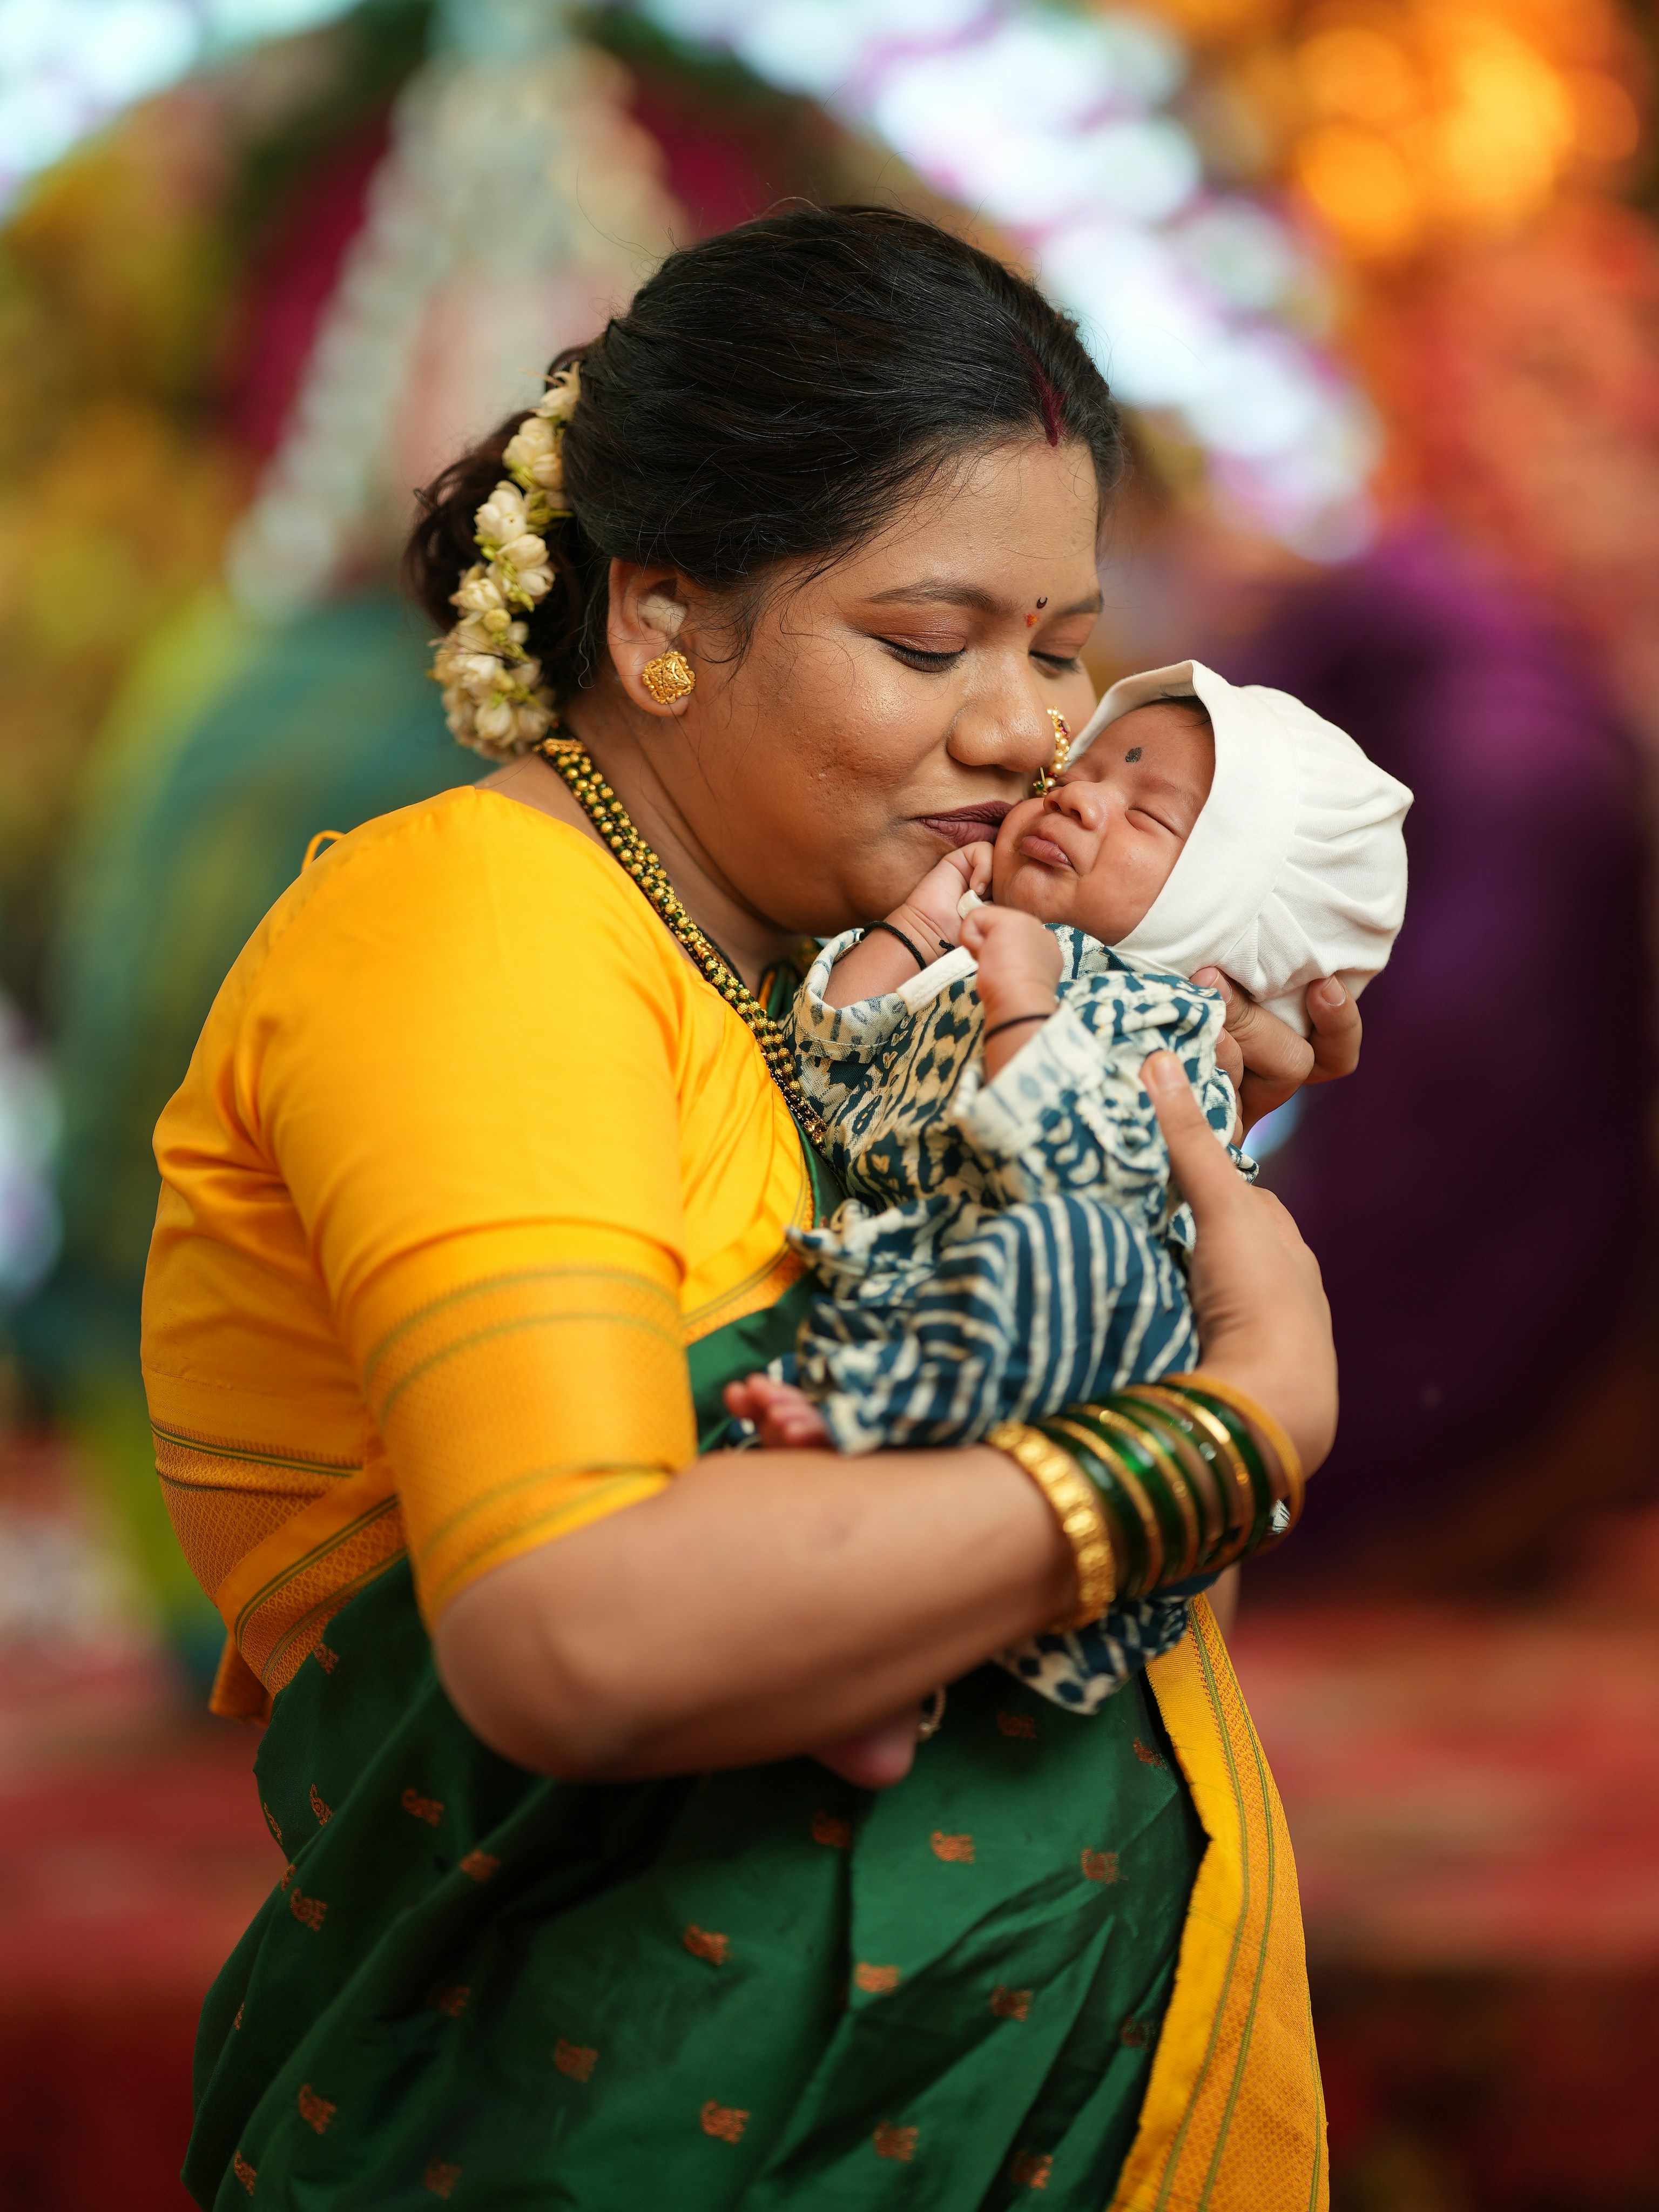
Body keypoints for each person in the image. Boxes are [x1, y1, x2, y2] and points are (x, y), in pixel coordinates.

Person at [141, 207, 1351, 2210]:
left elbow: (1055, 1639)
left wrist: (1140, 1181)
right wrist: (1214, 1435)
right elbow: (570, 1632)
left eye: (1057, 644)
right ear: (656, 620)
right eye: (925, 639)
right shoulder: (482, 932)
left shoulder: (825, 988)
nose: (1024, 727)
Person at [730, 662, 1408, 1741]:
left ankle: (890, 1642)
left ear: (1226, 914)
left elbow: (1087, 1176)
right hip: (924, 1283)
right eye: (1083, 770)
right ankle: (872, 1669)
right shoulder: (975, 948)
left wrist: (1026, 1006)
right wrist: (913, 927)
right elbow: (828, 1064)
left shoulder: (1163, 1019)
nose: (1078, 796)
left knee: (1067, 1244)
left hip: (1069, 1338)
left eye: (1148, 814)